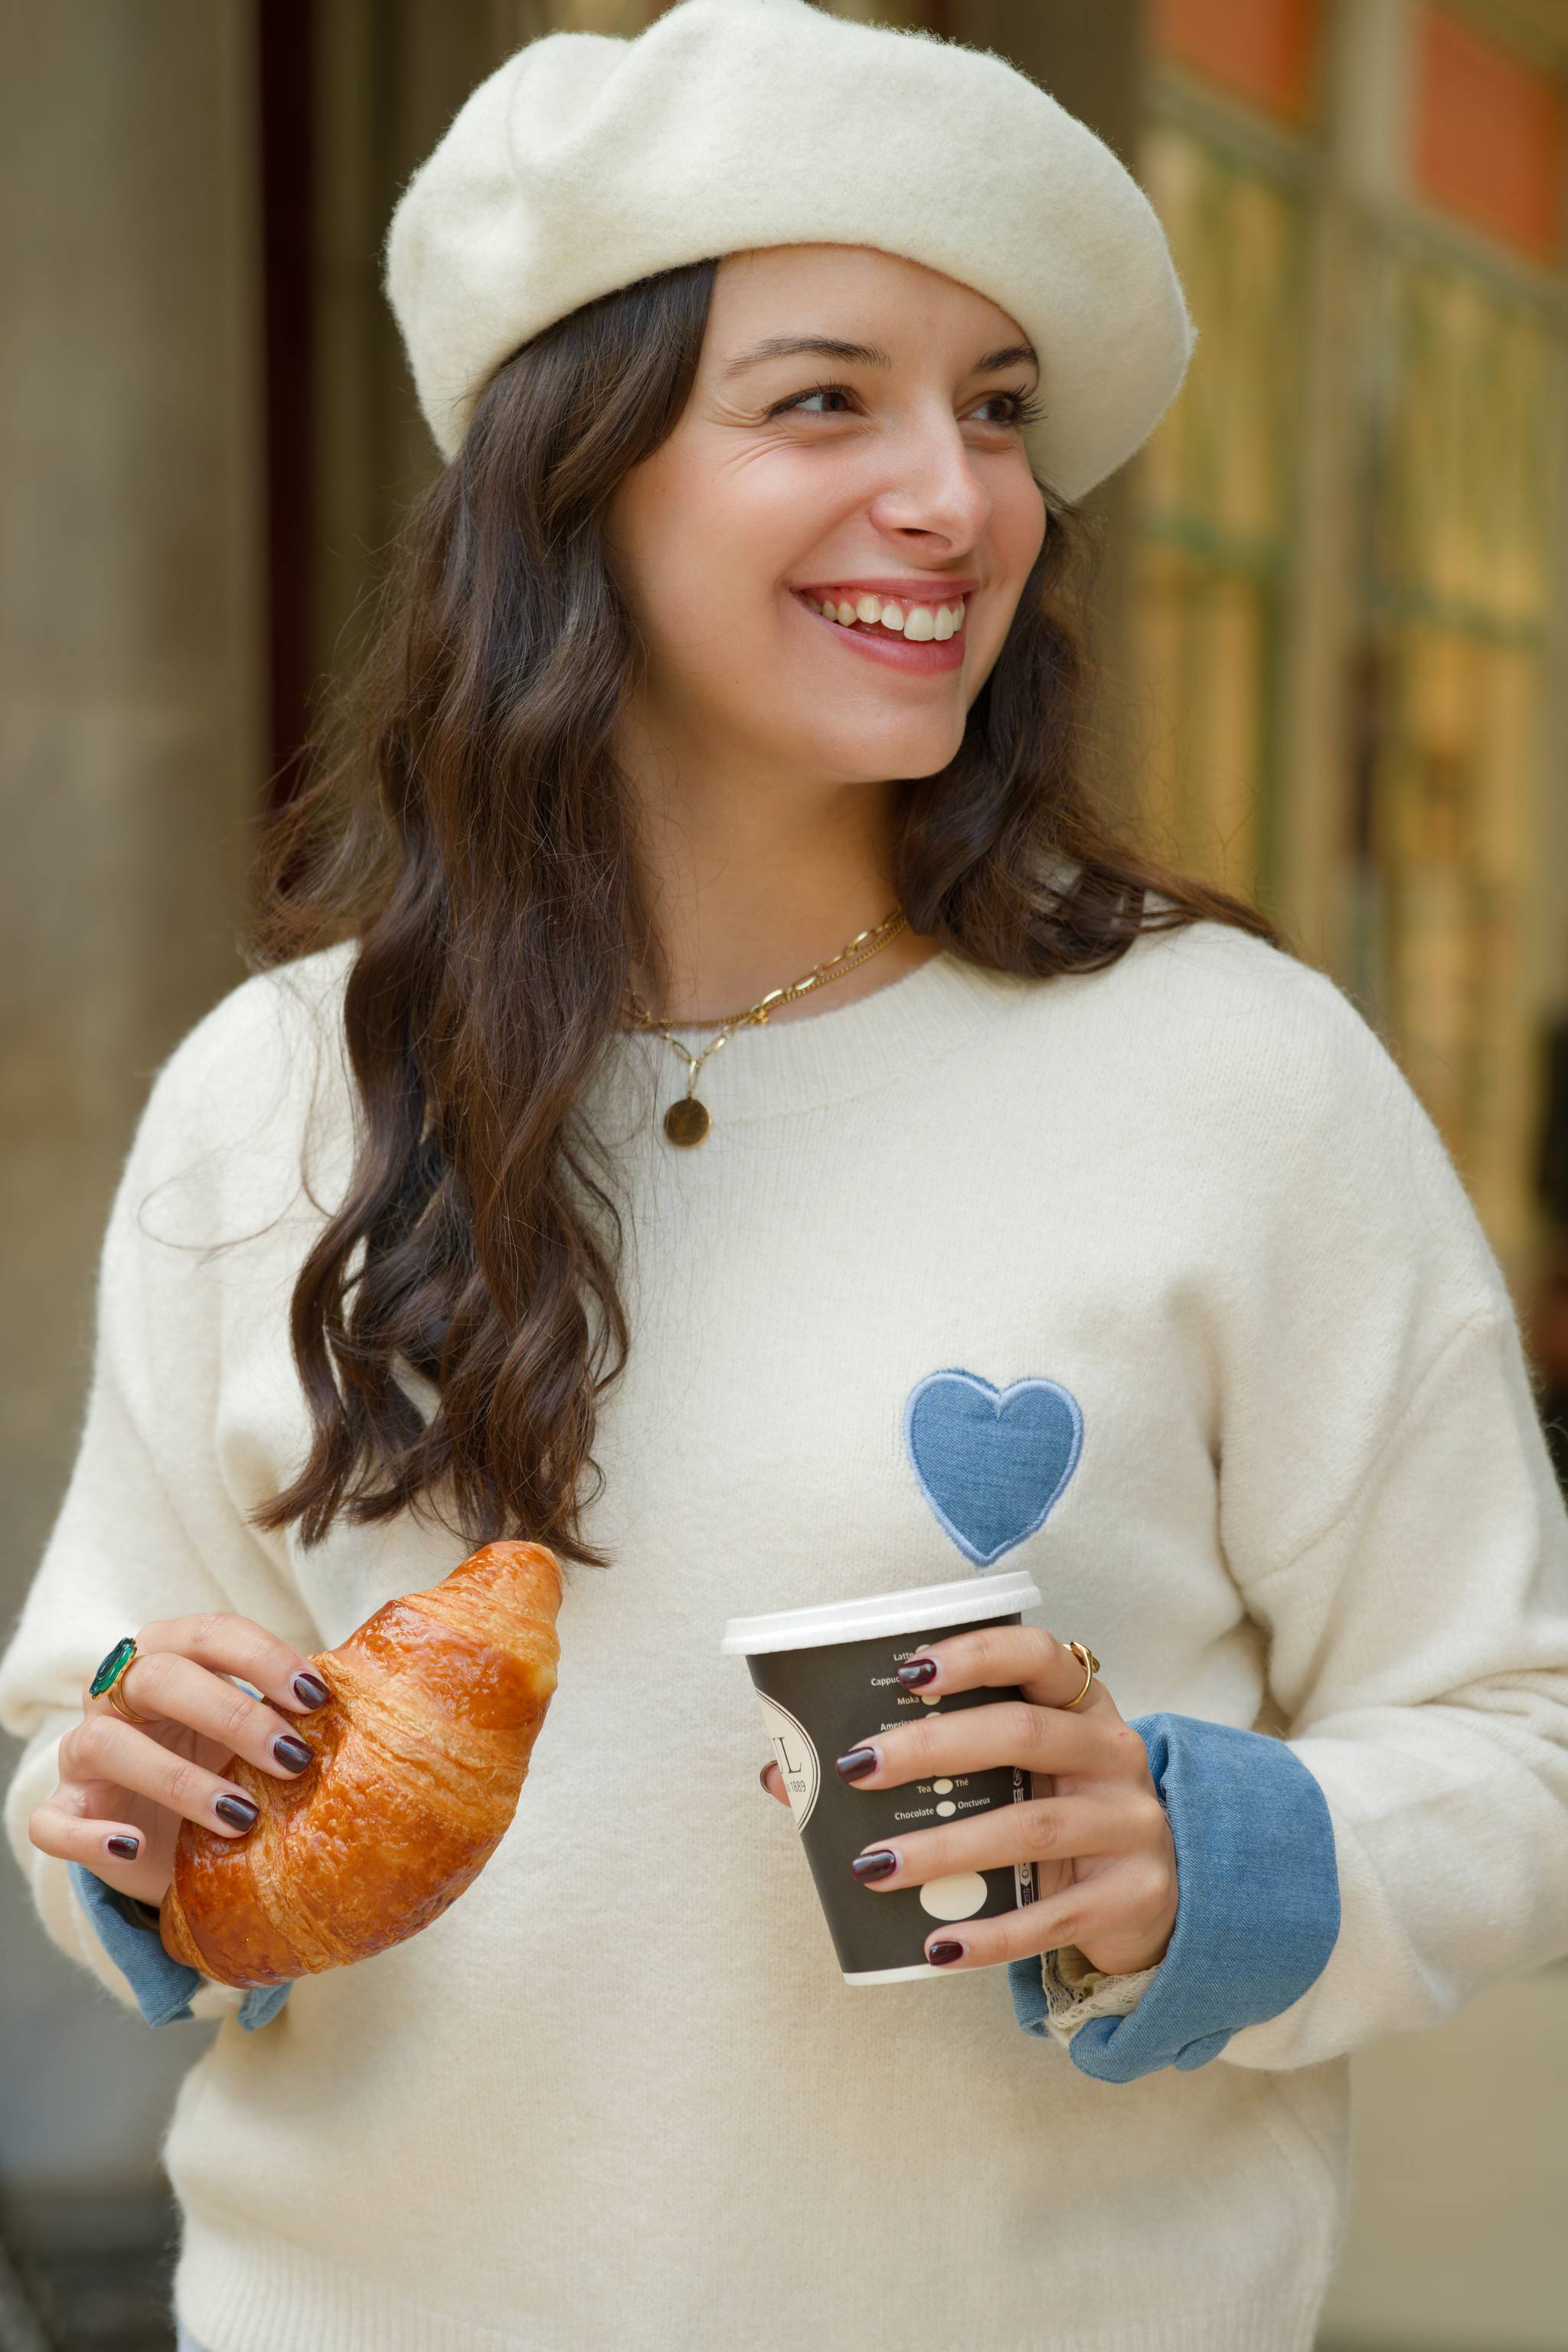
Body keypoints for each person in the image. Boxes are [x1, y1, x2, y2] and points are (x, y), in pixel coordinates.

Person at [4, 5, 1567, 2348]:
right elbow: (85, 1744)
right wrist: (129, 1811)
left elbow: (1515, 1735)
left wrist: (1200, 1857)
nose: (956, 498)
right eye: (826, 399)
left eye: (1001, 407)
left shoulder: (1229, 1076)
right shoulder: (279, 1097)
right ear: (578, 477)